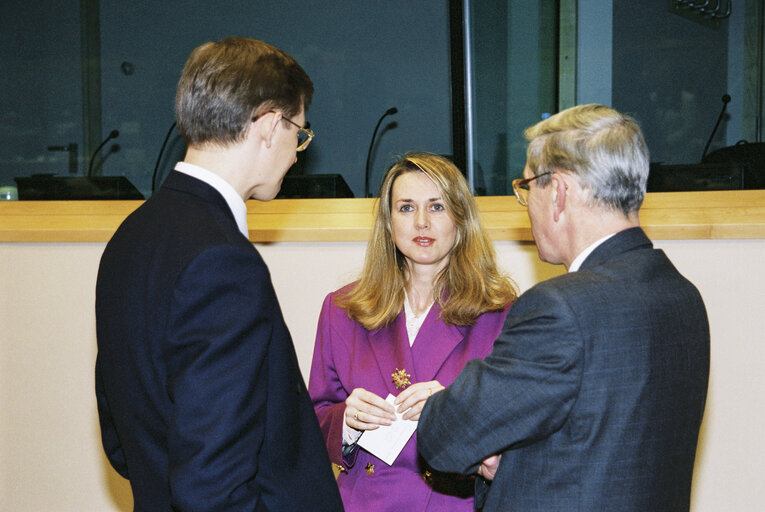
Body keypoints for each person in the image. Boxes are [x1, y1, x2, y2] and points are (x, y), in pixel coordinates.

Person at [417, 104, 710, 511]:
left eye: (526, 188)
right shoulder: (682, 297)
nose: (526, 204)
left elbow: (444, 438)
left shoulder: (559, 308)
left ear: (558, 192)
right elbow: (604, 446)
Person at [95, 37, 343, 511]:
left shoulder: (130, 236)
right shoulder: (224, 260)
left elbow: (120, 438)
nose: (296, 154)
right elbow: (213, 486)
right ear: (271, 125)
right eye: (300, 134)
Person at [308, 152, 518, 511]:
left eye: (436, 207)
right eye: (406, 208)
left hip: (454, 503)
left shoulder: (500, 311)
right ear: (389, 223)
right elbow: (313, 419)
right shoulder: (342, 309)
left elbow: (519, 430)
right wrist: (346, 421)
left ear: (460, 219)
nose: (421, 222)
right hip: (364, 502)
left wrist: (455, 407)